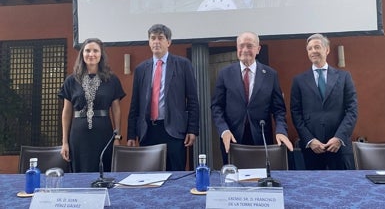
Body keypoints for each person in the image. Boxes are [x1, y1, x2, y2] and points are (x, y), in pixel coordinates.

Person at [211, 31, 293, 165]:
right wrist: (223, 130)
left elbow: (279, 110)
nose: (244, 50)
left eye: (249, 46)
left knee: (260, 178)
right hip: (232, 138)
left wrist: (281, 131)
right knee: (233, 180)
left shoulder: (270, 75)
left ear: (258, 49)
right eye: (241, 46)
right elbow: (216, 107)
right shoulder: (225, 73)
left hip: (261, 139)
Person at [127, 24, 199, 171]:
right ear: (149, 42)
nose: (156, 42)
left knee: (175, 176)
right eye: (152, 38)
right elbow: (135, 103)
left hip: (173, 131)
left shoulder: (183, 65)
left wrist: (192, 129)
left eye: (160, 38)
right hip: (148, 131)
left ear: (169, 42)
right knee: (149, 177)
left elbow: (192, 100)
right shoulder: (141, 69)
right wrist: (131, 134)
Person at [290, 33, 358, 170]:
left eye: (317, 47)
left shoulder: (344, 77)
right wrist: (309, 140)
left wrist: (339, 137)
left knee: (343, 187)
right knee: (313, 189)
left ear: (327, 50)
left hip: (339, 147)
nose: (313, 51)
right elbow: (295, 113)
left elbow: (352, 110)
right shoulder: (299, 81)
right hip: (312, 148)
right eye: (310, 48)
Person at [59, 38, 126, 172]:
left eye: (95, 51)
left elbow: (116, 109)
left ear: (101, 55)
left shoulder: (111, 79)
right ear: (82, 54)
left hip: (104, 135)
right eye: (87, 50)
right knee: (79, 175)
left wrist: (117, 137)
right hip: (78, 136)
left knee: (104, 172)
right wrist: (64, 142)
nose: (91, 54)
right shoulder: (71, 80)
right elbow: (67, 112)